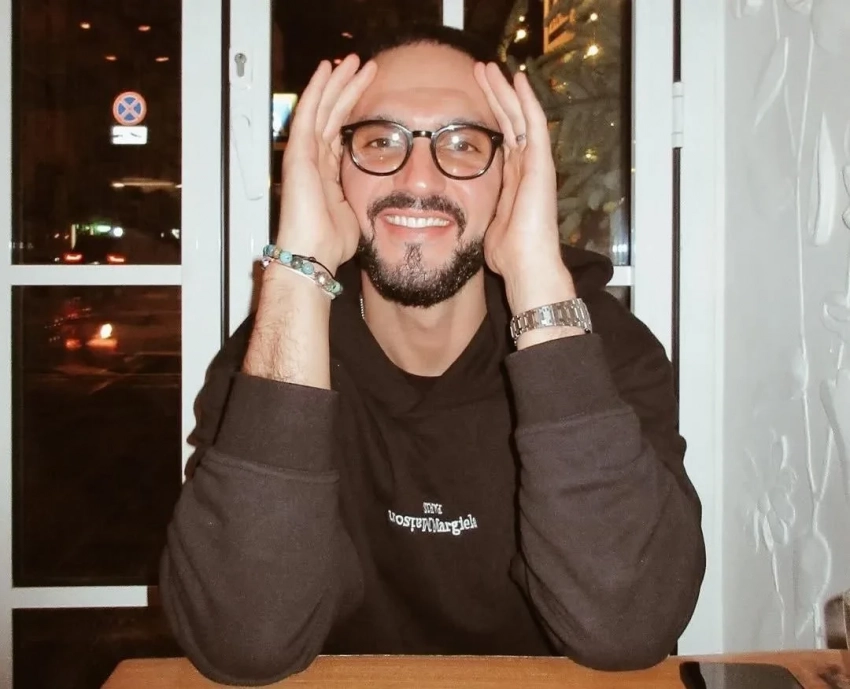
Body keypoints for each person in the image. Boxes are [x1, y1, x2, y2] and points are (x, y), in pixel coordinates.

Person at [160, 24, 706, 686]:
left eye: (463, 144)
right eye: (381, 141)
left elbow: (628, 625)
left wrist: (535, 271)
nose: (418, 178)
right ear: (334, 169)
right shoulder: (274, 355)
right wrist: (299, 263)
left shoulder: (602, 353)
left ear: (511, 175)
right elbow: (241, 641)